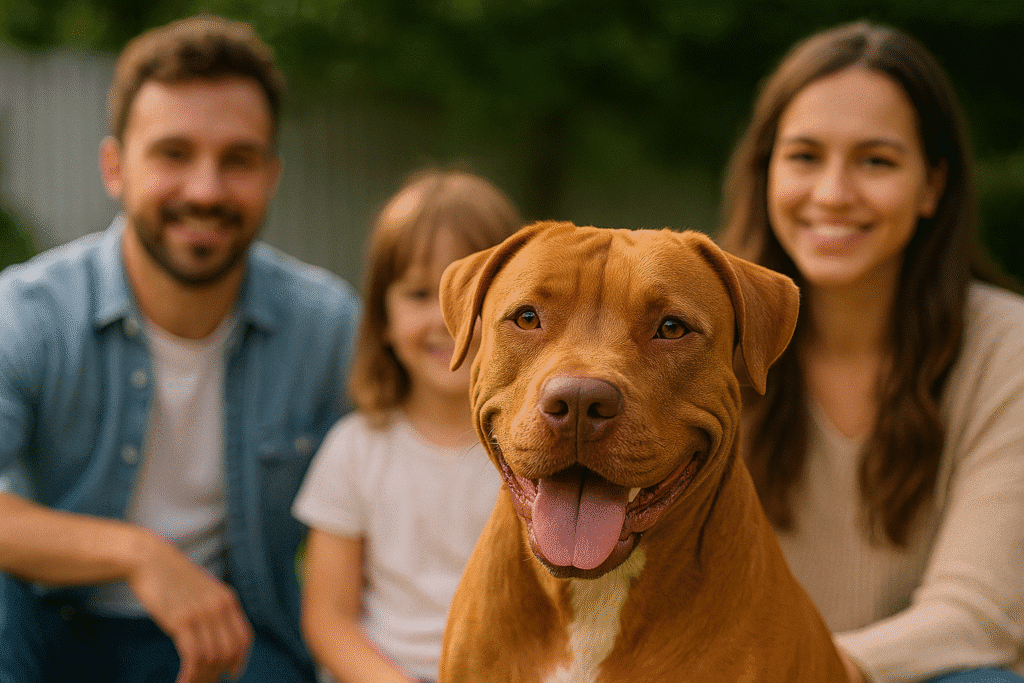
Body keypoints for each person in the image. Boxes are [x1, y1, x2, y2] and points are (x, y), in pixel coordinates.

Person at [0, 15, 359, 683]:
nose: (205, 189)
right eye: (173, 154)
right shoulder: (27, 311)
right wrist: (138, 553)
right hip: (42, 622)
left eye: (238, 160)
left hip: (234, 638)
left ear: (271, 175)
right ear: (116, 167)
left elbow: (404, 471)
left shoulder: (327, 325)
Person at [718, 19, 1024, 683]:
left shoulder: (1009, 349)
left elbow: (977, 613)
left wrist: (806, 667)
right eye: (803, 156)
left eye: (876, 161)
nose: (832, 193)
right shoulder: (699, 335)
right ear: (766, 170)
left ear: (933, 186)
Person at [291, 169, 522, 683]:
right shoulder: (355, 450)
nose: (445, 320)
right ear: (383, 320)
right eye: (419, 295)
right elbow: (328, 620)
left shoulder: (540, 456)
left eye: (472, 295)